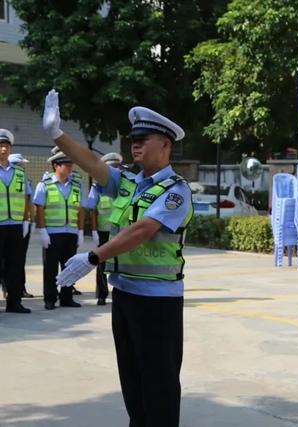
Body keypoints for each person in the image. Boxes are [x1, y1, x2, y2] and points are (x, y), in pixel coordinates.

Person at [42, 90, 193, 427]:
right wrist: (57, 134)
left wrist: (93, 257)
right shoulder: (127, 183)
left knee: (159, 387)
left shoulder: (175, 190)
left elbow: (142, 230)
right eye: (132, 139)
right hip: (125, 296)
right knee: (133, 384)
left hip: (158, 303)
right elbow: (93, 163)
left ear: (166, 144)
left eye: (144, 138)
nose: (135, 144)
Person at [33, 149, 89, 309]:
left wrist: (80, 231)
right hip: (52, 233)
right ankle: (50, 298)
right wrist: (42, 231)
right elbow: (40, 209)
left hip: (71, 233)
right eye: (66, 164)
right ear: (55, 165)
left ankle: (66, 297)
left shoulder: (77, 186)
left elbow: (81, 210)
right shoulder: (45, 185)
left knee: (69, 267)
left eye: (71, 164)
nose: (70, 167)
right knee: (50, 268)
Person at [0, 129, 32, 313]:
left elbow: (27, 198)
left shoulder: (19, 173)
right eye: (1, 146)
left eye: (6, 146)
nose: (3, 149)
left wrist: (26, 220)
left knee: (15, 265)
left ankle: (14, 302)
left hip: (16, 226)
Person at [87, 152, 124, 306]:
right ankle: (101, 294)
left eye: (116, 168)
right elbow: (92, 209)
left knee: (122, 263)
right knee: (101, 262)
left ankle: (121, 292)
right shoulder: (98, 187)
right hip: (104, 230)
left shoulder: (125, 186)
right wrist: (94, 231)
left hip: (122, 231)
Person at [9, 153, 35, 299]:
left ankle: (20, 288)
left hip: (21, 224)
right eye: (19, 164)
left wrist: (30, 221)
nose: (22, 167)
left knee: (19, 258)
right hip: (5, 223)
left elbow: (28, 201)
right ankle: (8, 288)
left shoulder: (23, 179)